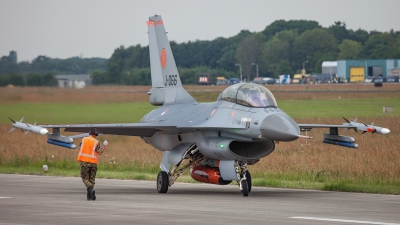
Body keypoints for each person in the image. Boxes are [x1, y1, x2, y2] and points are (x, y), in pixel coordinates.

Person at [77, 127, 108, 201]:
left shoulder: (84, 139)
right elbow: (99, 152)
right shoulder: (96, 142)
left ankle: (90, 190)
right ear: (96, 134)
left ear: (89, 133)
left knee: (85, 178)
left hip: (84, 162)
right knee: (92, 180)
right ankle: (89, 196)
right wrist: (104, 146)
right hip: (93, 163)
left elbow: (80, 147)